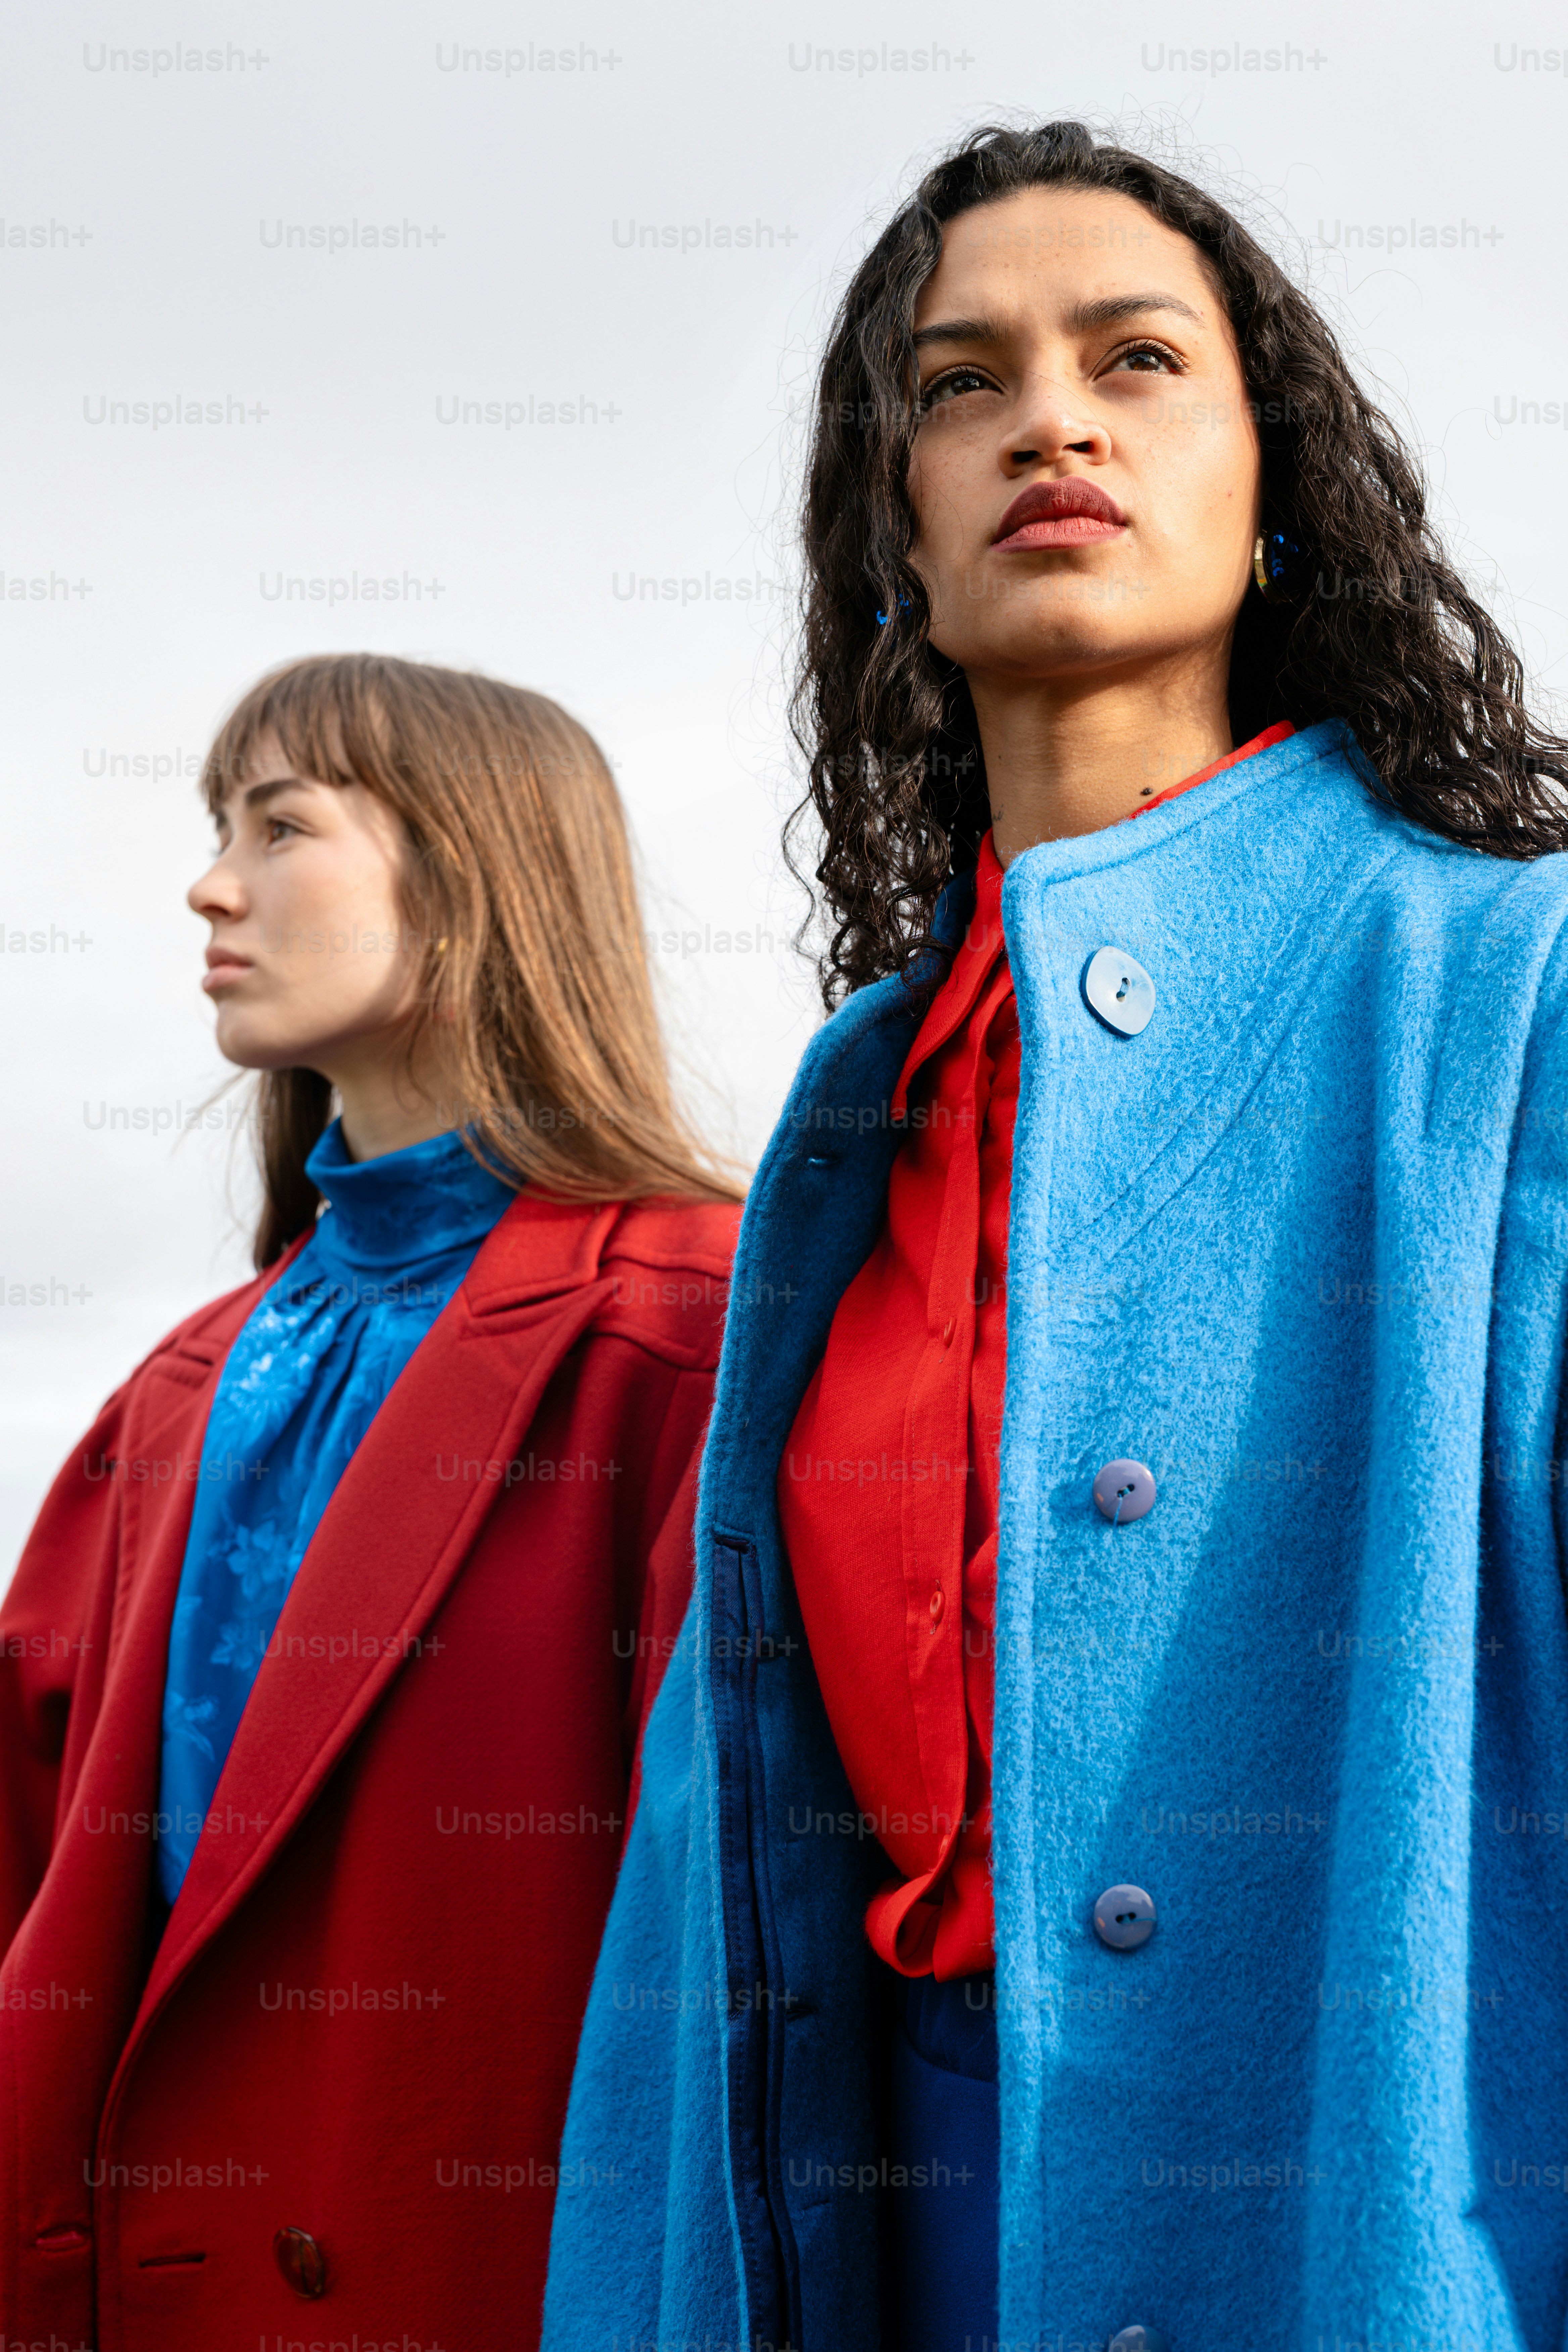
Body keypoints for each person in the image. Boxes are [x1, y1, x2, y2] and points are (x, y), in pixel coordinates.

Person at [543, 121, 1568, 2351]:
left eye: (1135, 360)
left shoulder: (1506, 989)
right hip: (878, 2227)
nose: (1050, 422)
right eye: (960, 383)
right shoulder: (850, 1123)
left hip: (1358, 2225)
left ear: (1274, 481)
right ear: (893, 536)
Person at [0, 653, 741, 2349]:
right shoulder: (173, 1396)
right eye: (218, 831)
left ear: (473, 883)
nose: (212, 888)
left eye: (280, 828)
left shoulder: (696, 1336)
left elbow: (743, 1939)